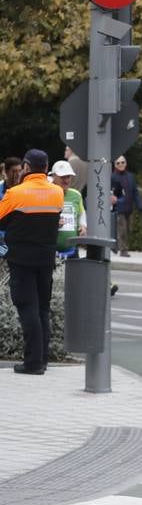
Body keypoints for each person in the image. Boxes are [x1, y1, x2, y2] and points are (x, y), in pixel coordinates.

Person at [0, 150, 62, 374]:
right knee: (43, 309)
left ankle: (33, 363)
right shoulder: (57, 192)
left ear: (26, 167)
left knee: (28, 308)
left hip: (21, 259)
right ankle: (42, 359)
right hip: (46, 258)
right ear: (46, 168)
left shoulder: (16, 193)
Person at [50, 160, 86, 259]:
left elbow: (82, 213)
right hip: (51, 252)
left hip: (72, 251)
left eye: (68, 176)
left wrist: (83, 226)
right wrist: (53, 223)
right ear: (53, 177)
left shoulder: (76, 194)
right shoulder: (46, 193)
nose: (66, 180)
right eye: (62, 177)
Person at [110, 154, 142, 257]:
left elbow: (135, 192)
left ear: (126, 163)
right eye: (118, 163)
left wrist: (140, 204)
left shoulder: (130, 176)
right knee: (122, 229)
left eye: (122, 162)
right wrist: (112, 199)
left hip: (129, 207)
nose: (120, 164)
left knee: (127, 229)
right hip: (118, 207)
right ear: (115, 165)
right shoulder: (112, 177)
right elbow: (110, 191)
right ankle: (123, 249)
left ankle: (115, 245)